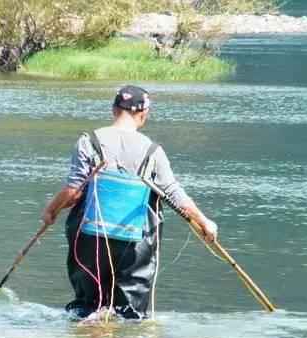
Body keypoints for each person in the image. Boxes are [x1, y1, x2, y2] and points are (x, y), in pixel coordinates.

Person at [43, 85, 217, 319]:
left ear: (114, 109)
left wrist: (50, 210)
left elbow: (73, 191)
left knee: (86, 309)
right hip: (135, 243)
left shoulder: (89, 141)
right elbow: (175, 194)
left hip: (89, 238)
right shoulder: (153, 151)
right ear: (144, 115)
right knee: (129, 315)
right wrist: (203, 221)